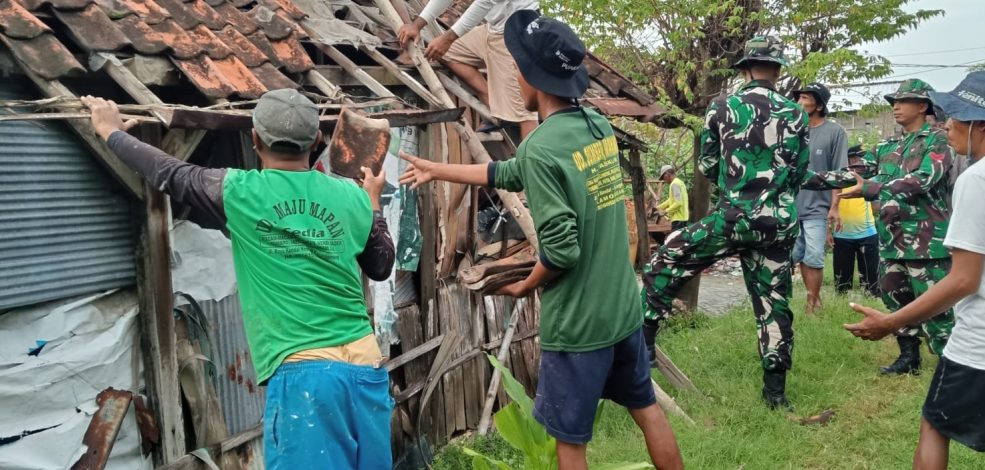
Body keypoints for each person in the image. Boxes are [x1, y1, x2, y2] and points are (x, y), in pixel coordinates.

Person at [399, 11, 683, 469]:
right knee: (646, 409)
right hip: (622, 309)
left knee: (570, 443)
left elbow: (561, 250)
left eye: (516, 67)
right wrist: (437, 168)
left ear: (532, 78)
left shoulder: (542, 147)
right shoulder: (596, 126)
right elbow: (508, 171)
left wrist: (522, 286)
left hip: (578, 325)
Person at [80, 90, 396, 468]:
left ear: (254, 139)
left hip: (306, 375)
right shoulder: (350, 195)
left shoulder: (241, 191)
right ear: (316, 142)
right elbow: (380, 265)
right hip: (366, 368)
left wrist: (111, 131)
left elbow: (168, 173)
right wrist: (373, 203)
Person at [846, 70, 985, 470]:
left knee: (934, 426)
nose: (946, 123)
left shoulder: (981, 178)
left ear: (983, 125)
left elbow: (965, 278)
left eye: (957, 116)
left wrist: (891, 321)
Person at [642, 35, 809, 410]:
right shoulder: (796, 113)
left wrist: (738, 188)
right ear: (778, 70)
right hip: (777, 225)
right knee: (774, 305)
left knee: (665, 261)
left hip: (734, 218)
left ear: (745, 69)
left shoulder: (721, 106)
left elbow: (708, 165)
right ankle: (776, 395)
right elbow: (799, 172)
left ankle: (646, 343)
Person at [834, 79, 956, 376]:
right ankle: (909, 358)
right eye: (894, 103)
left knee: (936, 307)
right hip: (892, 241)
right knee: (895, 297)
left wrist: (873, 188)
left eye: (904, 102)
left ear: (923, 106)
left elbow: (923, 180)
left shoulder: (938, 141)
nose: (896, 107)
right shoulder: (887, 147)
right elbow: (852, 175)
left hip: (928, 243)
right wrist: (801, 178)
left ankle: (951, 365)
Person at [398, 0, 539, 137]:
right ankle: (495, 107)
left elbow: (486, 2)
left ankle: (534, 161)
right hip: (492, 28)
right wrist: (416, 26)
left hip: (515, 30)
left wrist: (447, 39)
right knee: (446, 53)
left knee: (524, 113)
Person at [790, 82, 848, 314]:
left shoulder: (834, 132)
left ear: (819, 104)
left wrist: (835, 207)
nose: (799, 102)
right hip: (792, 206)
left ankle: (812, 303)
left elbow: (839, 173)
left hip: (818, 208)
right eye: (799, 97)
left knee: (814, 255)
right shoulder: (793, 131)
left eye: (805, 98)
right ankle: (810, 299)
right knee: (797, 254)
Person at [829, 145, 880, 296]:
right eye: (859, 158)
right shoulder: (838, 179)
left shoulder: (871, 177)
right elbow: (830, 207)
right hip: (842, 234)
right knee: (842, 286)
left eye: (864, 158)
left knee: (871, 286)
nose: (863, 162)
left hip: (868, 234)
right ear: (850, 159)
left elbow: (876, 206)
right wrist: (828, 230)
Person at [656, 165, 689, 231]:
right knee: (681, 240)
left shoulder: (674, 184)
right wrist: (658, 208)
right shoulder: (679, 182)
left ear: (667, 174)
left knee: (676, 241)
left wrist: (665, 211)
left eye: (663, 177)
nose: (664, 180)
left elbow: (678, 203)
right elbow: (671, 200)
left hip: (678, 220)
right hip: (683, 218)